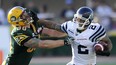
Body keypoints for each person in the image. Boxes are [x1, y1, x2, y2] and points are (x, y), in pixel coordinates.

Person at [38, 6, 112, 65]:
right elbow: (54, 25)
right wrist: (37, 21)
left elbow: (108, 41)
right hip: (74, 63)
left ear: (87, 21)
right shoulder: (71, 26)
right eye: (77, 18)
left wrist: (107, 50)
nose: (77, 21)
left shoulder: (96, 29)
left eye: (81, 20)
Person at [2, 6, 70, 65]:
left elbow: (51, 31)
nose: (27, 14)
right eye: (23, 15)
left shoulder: (33, 24)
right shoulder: (18, 33)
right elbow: (43, 44)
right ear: (17, 21)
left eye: (25, 12)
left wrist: (69, 32)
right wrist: (65, 42)